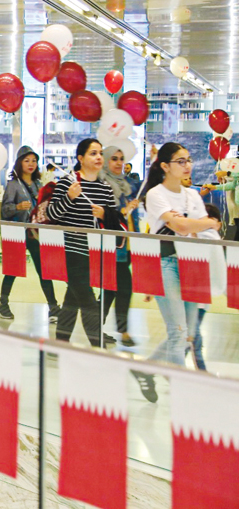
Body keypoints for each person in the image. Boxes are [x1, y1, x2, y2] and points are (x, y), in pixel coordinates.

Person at [132, 143, 220, 403]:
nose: (188, 165)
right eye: (181, 161)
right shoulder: (155, 194)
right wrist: (201, 222)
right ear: (165, 166)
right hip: (166, 264)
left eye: (189, 160)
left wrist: (198, 224)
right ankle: (181, 396)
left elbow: (204, 228)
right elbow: (183, 226)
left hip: (193, 263)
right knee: (177, 331)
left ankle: (146, 370)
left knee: (189, 333)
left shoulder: (192, 195)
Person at [46, 139, 118, 348]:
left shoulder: (105, 188)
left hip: (94, 252)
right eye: (93, 153)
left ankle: (59, 344)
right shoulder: (68, 183)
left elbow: (114, 220)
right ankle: (98, 347)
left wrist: (105, 214)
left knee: (72, 299)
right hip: (70, 250)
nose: (98, 157)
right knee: (87, 299)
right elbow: (52, 214)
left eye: (100, 153)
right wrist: (69, 197)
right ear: (80, 158)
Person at [0, 146, 60, 323]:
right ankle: (3, 304)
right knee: (12, 270)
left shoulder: (40, 185)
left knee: (43, 270)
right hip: (17, 233)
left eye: (34, 160)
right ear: (19, 163)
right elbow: (5, 210)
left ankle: (53, 307)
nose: (31, 164)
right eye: (27, 160)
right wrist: (17, 207)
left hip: (35, 233)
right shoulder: (13, 185)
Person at [98, 146, 140, 347]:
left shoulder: (125, 185)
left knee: (111, 291)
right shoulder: (102, 184)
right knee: (122, 288)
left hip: (126, 246)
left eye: (121, 158)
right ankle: (122, 331)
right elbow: (103, 215)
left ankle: (97, 326)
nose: (118, 162)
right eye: (113, 158)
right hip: (111, 248)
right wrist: (123, 211)